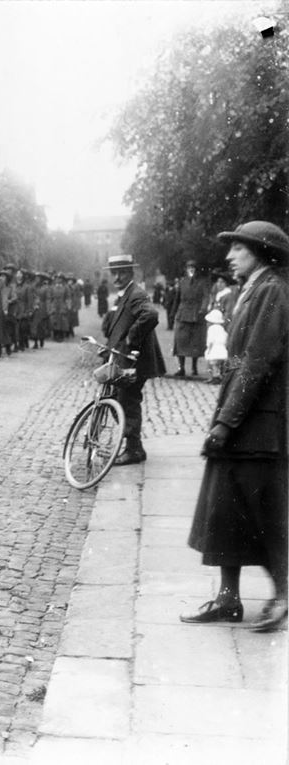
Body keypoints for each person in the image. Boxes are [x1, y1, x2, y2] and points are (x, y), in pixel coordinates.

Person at [182, 221, 289, 632]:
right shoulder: (253, 290)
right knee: (224, 508)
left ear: (261, 254)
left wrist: (226, 421)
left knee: (262, 513)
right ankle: (228, 600)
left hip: (259, 427)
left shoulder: (272, 291)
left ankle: (282, 595)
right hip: (243, 422)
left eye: (238, 249)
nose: (229, 256)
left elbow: (258, 362)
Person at [101, 253, 166, 465]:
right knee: (120, 400)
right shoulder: (123, 295)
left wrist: (131, 338)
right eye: (114, 273)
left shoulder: (136, 293)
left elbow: (151, 315)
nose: (117, 277)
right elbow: (112, 327)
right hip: (123, 359)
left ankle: (134, 449)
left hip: (135, 360)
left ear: (130, 273)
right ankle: (132, 445)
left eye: (121, 272)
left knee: (128, 401)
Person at [172, 259, 210, 378]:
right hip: (182, 314)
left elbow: (206, 297)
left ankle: (194, 367)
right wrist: (173, 312)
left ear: (196, 270)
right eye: (189, 268)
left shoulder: (202, 282)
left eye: (193, 268)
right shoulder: (182, 282)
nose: (191, 270)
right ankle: (181, 368)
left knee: (195, 343)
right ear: (186, 269)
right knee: (180, 341)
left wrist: (203, 309)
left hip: (196, 314)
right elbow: (176, 299)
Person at [203, 308, 227, 385]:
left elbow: (210, 340)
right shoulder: (222, 328)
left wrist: (208, 349)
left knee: (213, 364)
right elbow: (225, 337)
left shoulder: (211, 329)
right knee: (219, 364)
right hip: (222, 348)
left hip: (214, 348)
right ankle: (218, 376)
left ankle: (215, 377)